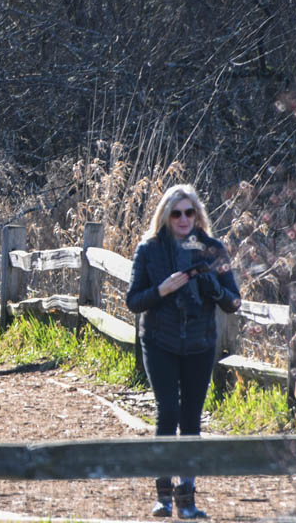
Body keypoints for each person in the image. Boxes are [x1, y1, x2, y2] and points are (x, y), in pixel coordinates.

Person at [126, 184, 241, 519]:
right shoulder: (149, 250)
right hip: (159, 341)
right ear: (165, 216)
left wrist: (214, 288)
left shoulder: (212, 249)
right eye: (176, 213)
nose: (183, 219)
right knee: (168, 412)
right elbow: (134, 301)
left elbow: (233, 302)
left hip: (200, 343)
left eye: (189, 212)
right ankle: (163, 495)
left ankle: (187, 497)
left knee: (192, 416)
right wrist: (161, 290)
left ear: (198, 215)